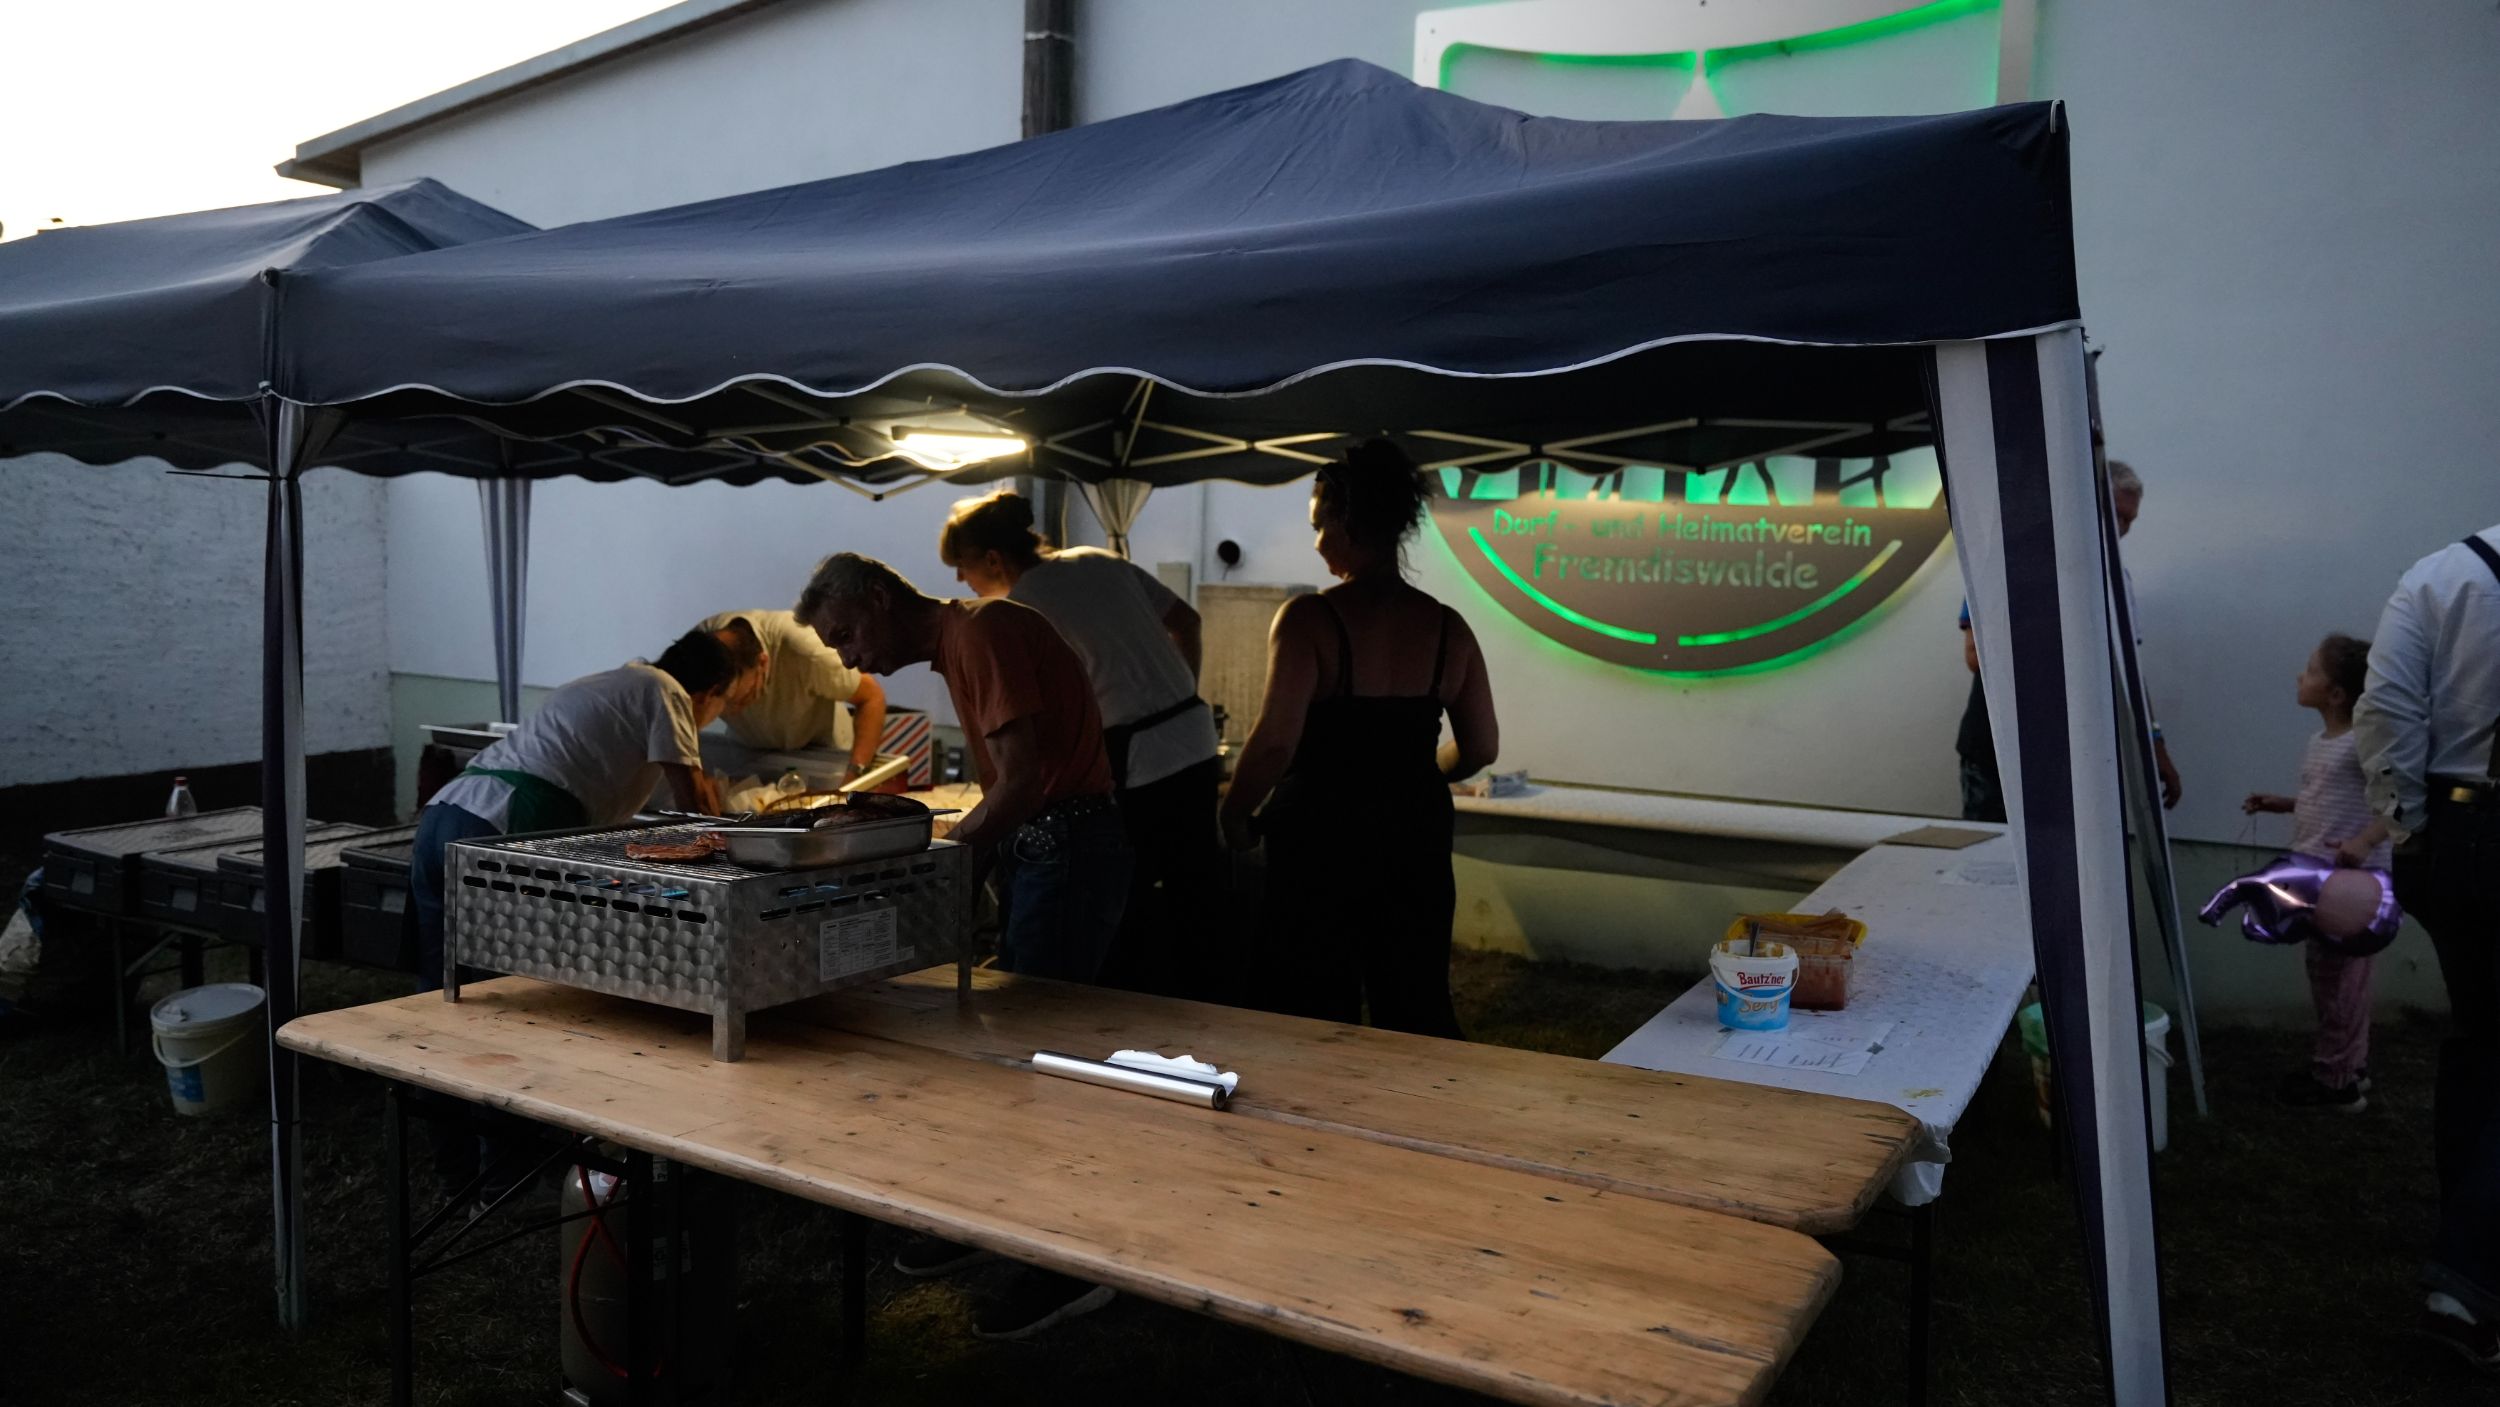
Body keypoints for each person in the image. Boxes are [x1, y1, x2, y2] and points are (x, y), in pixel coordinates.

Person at [795, 551, 1131, 1338]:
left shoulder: (981, 632)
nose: (852, 659)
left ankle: (1069, 1265)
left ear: (880, 599)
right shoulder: (963, 642)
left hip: (1067, 844)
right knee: (1014, 1055)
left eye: (847, 635)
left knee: (1044, 1061)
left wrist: (936, 868)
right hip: (1051, 846)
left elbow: (1020, 783)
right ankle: (991, 1223)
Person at [406, 626, 756, 1204]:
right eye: (722, 707)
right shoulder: (665, 689)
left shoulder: (616, 683)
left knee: (443, 1002)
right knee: (510, 1005)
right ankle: (507, 1182)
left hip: (447, 815)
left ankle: (457, 1176)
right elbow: (694, 804)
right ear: (709, 691)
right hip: (507, 825)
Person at [1219, 439, 1499, 1038]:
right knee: (1415, 1000)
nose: (1317, 542)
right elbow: (1481, 748)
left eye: (1319, 525)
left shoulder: (1309, 619)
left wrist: (1235, 812)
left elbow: (1275, 743)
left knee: (1310, 1006)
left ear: (1348, 523)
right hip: (1415, 832)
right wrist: (1422, 773)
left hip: (1321, 834)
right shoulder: (1449, 627)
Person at [938, 488, 1224, 1000]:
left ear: (993, 559)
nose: (961, 580)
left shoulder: (1019, 610)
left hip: (1135, 764)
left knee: (1124, 909)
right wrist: (1178, 692)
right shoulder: (1099, 559)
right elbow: (1187, 621)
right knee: (1197, 899)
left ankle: (1130, 1018)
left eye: (963, 566)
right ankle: (1214, 1008)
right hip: (1196, 740)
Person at [2352, 522, 2500, 1372]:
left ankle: (2463, 1239)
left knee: (2479, 1038)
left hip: (2455, 830)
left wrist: (2409, 824)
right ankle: (2467, 1283)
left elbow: (2386, 708)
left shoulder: (2444, 574)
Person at [1955, 460, 2181, 820]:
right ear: (2084, 503)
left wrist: (2156, 743)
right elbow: (1976, 655)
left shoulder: (2116, 580)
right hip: (1999, 750)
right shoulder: (2011, 558)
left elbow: (2129, 672)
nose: (2122, 529)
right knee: (1995, 851)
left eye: (2130, 521)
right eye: (2115, 514)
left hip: (2071, 756)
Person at [2239, 633, 2392, 1112]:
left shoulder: (2362, 742)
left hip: (2352, 889)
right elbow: (2329, 800)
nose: (2299, 676)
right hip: (2321, 880)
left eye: (2310, 670)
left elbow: (2403, 801)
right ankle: (2351, 1066)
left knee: (2338, 981)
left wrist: (2363, 843)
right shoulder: (2324, 742)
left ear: (2336, 694)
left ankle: (2335, 1082)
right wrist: (2284, 804)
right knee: (2337, 977)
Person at [695, 608, 888, 786]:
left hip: (823, 751)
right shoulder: (696, 652)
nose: (732, 711)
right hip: (749, 751)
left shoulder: (807, 650)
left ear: (762, 663)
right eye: (722, 704)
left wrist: (854, 776)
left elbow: (871, 698)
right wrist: (695, 775)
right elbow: (682, 719)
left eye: (742, 699)